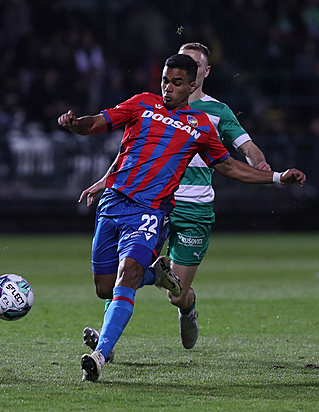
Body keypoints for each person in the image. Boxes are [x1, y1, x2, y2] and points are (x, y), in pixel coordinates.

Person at [59, 53, 306, 381]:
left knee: (128, 273)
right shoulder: (142, 104)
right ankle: (156, 276)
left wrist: (277, 177)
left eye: (176, 83)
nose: (168, 88)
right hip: (113, 204)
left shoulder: (202, 125)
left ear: (192, 85)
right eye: (165, 81)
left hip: (151, 211)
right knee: (105, 289)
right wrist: (77, 125)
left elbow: (229, 166)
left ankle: (101, 354)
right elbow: (98, 124)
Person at [80, 42, 272, 356]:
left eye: (194, 63)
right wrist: (105, 181)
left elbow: (246, 148)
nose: (181, 71)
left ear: (202, 74)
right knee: (124, 273)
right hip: (153, 204)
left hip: (193, 208)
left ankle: (186, 308)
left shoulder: (216, 112)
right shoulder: (154, 106)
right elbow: (130, 152)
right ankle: (106, 342)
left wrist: (263, 167)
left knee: (177, 293)